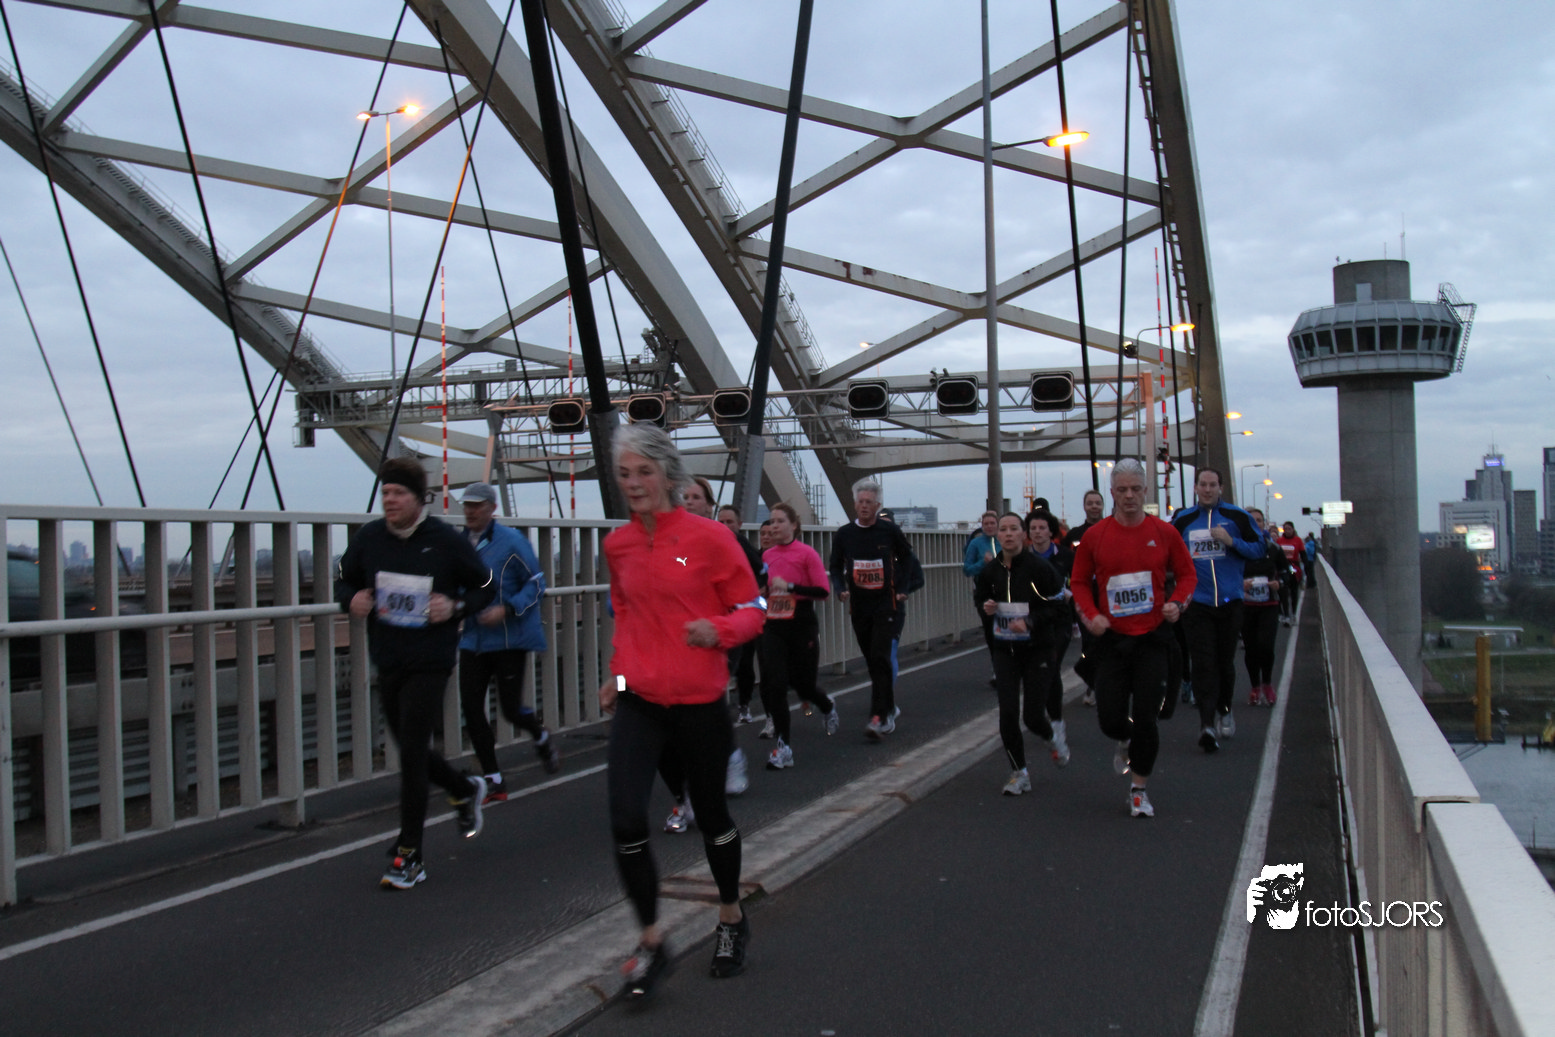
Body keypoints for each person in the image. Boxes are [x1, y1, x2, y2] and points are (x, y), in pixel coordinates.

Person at [598, 423, 764, 997]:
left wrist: (718, 630)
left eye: (644, 472)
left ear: (668, 475)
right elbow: (625, 616)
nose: (633, 483)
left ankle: (731, 916)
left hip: (698, 703)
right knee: (626, 819)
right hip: (640, 702)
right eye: (624, 473)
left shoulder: (709, 539)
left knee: (712, 817)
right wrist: (618, 678)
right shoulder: (618, 545)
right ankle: (651, 942)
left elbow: (752, 607)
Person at [335, 457, 495, 889]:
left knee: (410, 752)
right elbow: (343, 578)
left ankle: (409, 855)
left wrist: (455, 607)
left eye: (398, 493)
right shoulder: (369, 538)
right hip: (389, 656)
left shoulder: (444, 540)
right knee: (410, 748)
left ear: (419, 499)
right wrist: (350, 599)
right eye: (385, 493)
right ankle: (463, 788)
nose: (389, 500)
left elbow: (485, 586)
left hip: (430, 657)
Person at [1071, 459, 1196, 818]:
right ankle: (1125, 739)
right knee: (1110, 718)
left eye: (1135, 489)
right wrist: (1091, 614)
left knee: (1147, 717)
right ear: (1112, 492)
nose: (1129, 496)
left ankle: (1139, 789)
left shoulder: (1164, 533)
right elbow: (1078, 582)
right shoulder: (1096, 536)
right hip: (1112, 640)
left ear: (1145, 491)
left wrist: (1177, 604)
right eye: (1122, 490)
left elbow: (1188, 576)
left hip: (1152, 639)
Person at [456, 482, 558, 806]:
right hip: (473, 640)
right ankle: (493, 779)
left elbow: (536, 583)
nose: (470, 511)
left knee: (510, 710)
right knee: (471, 709)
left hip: (509, 639)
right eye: (467, 505)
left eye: (477, 505)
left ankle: (540, 734)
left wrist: (508, 609)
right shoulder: (458, 544)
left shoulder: (511, 541)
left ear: (492, 508)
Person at [661, 484, 753, 834]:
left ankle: (725, 761)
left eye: (696, 497)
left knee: (700, 715)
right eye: (684, 497)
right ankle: (684, 795)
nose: (688, 502)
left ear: (709, 505)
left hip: (715, 640)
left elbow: (753, 583)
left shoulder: (721, 537)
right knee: (665, 723)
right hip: (669, 645)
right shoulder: (661, 540)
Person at [1171, 468, 1264, 753]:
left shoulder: (1238, 517)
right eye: (1203, 484)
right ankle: (1206, 725)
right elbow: (1167, 553)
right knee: (1203, 663)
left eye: (1213, 484)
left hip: (1229, 602)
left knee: (1224, 662)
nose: (1208, 489)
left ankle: (1225, 709)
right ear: (1195, 488)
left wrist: (1231, 542)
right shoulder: (1183, 520)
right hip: (1197, 604)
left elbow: (1260, 548)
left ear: (1220, 487)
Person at [975, 513, 1066, 794]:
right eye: (1003, 530)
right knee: (1008, 712)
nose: (1008, 534)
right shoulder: (990, 572)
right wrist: (987, 607)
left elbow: (1057, 606)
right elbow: (981, 599)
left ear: (1023, 534)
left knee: (1032, 716)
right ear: (998, 536)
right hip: (1005, 649)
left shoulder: (1040, 568)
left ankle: (1051, 736)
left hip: (1038, 649)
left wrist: (1030, 621)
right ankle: (1019, 772)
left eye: (1014, 529)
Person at [828, 478, 920, 740]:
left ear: (877, 505)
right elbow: (835, 566)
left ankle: (878, 717)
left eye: (869, 502)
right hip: (859, 606)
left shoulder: (889, 531)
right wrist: (840, 588)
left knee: (880, 658)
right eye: (861, 502)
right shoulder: (844, 534)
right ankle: (888, 707)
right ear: (855, 505)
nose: (864, 506)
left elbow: (908, 558)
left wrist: (902, 588)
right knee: (872, 661)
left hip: (885, 604)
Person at [759, 502, 839, 769]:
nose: (774, 526)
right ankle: (784, 748)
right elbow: (763, 587)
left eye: (780, 521)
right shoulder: (767, 556)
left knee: (803, 686)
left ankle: (826, 705)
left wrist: (791, 586)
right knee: (775, 684)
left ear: (793, 525)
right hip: (774, 625)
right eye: (771, 521)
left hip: (801, 624)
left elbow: (823, 591)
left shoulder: (806, 554)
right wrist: (762, 592)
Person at [1025, 509, 1073, 763]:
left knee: (1052, 667)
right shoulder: (1023, 558)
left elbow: (1080, 581)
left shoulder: (1065, 556)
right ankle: (1044, 718)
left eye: (1042, 528)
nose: (1038, 532)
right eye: (1033, 528)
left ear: (1051, 531)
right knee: (1040, 671)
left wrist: (1071, 594)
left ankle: (1056, 723)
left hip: (1060, 620)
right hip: (1035, 621)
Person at [718, 503, 767, 733]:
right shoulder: (711, 541)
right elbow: (684, 561)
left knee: (745, 661)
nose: (725, 526)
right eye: (721, 522)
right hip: (720, 613)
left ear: (739, 525)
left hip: (744, 612)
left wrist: (758, 591)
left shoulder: (741, 544)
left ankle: (744, 706)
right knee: (726, 663)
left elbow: (762, 569)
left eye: (729, 522)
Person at [1240, 508, 1289, 707]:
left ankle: (1267, 683)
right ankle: (1255, 687)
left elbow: (1287, 571)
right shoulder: (1237, 548)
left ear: (1264, 524)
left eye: (1259, 520)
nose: (1256, 523)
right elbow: (1227, 574)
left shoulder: (1273, 549)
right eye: (1252, 520)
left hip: (1269, 604)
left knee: (1266, 646)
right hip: (1246, 605)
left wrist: (1280, 583)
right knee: (1251, 648)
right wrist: (1239, 585)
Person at [1064, 488, 1107, 705]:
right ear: (1084, 506)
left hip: (1109, 595)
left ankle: (1105, 684)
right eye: (1090, 503)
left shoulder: (1112, 529)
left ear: (1103, 505)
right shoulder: (1074, 535)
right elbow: (1063, 561)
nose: (1094, 507)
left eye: (1097, 503)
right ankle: (1093, 684)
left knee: (1108, 640)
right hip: (1084, 596)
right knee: (1089, 642)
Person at [1274, 521, 1306, 626]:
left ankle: (1293, 613)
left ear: (1293, 529)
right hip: (1282, 567)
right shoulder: (1279, 541)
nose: (1287, 531)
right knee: (1282, 591)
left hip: (1293, 567)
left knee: (1293, 590)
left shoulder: (1298, 540)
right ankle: (1285, 614)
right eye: (1286, 529)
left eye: (1289, 529)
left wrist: (1306, 570)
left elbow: (1303, 555)